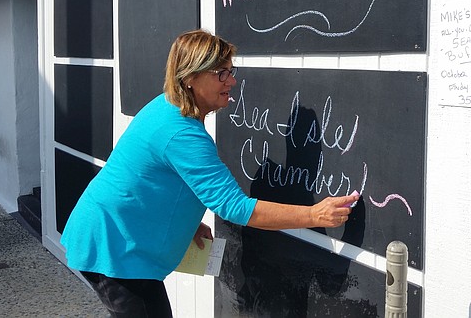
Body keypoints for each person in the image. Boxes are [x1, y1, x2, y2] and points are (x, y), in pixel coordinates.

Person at [60, 29, 358, 317]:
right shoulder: (182, 133)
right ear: (190, 78)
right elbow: (235, 208)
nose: (232, 81)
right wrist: (314, 215)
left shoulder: (168, 106)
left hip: (110, 238)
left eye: (231, 70)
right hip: (113, 250)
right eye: (221, 74)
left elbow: (157, 177)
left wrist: (187, 223)